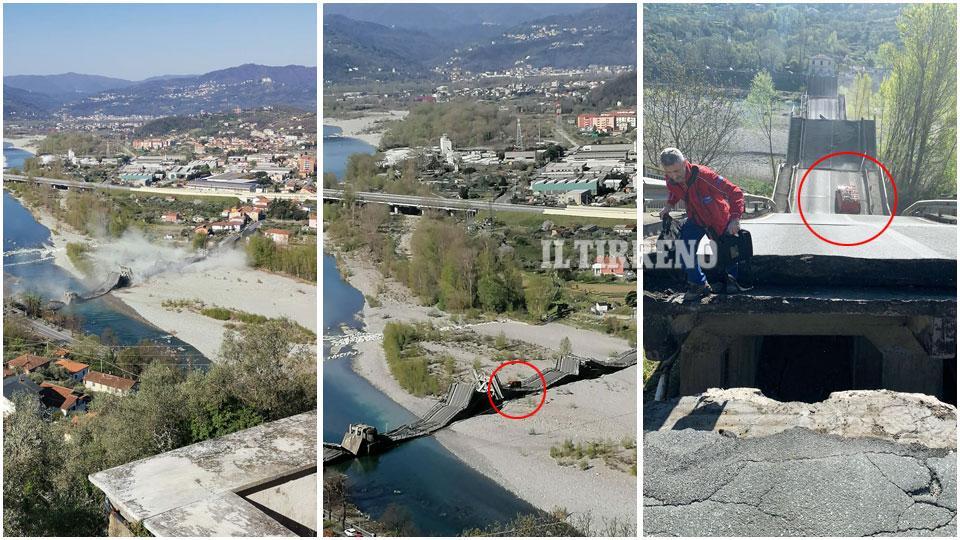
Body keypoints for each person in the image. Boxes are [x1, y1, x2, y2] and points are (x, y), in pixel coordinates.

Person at [657, 147, 749, 300]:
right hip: (696, 218)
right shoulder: (671, 179)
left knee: (726, 250)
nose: (674, 176)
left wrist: (735, 219)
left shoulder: (705, 176)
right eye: (669, 172)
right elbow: (674, 191)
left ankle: (731, 281)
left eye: (677, 171)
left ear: (685, 163)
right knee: (684, 247)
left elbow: (735, 192)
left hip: (718, 218)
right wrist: (669, 205)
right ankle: (699, 284)